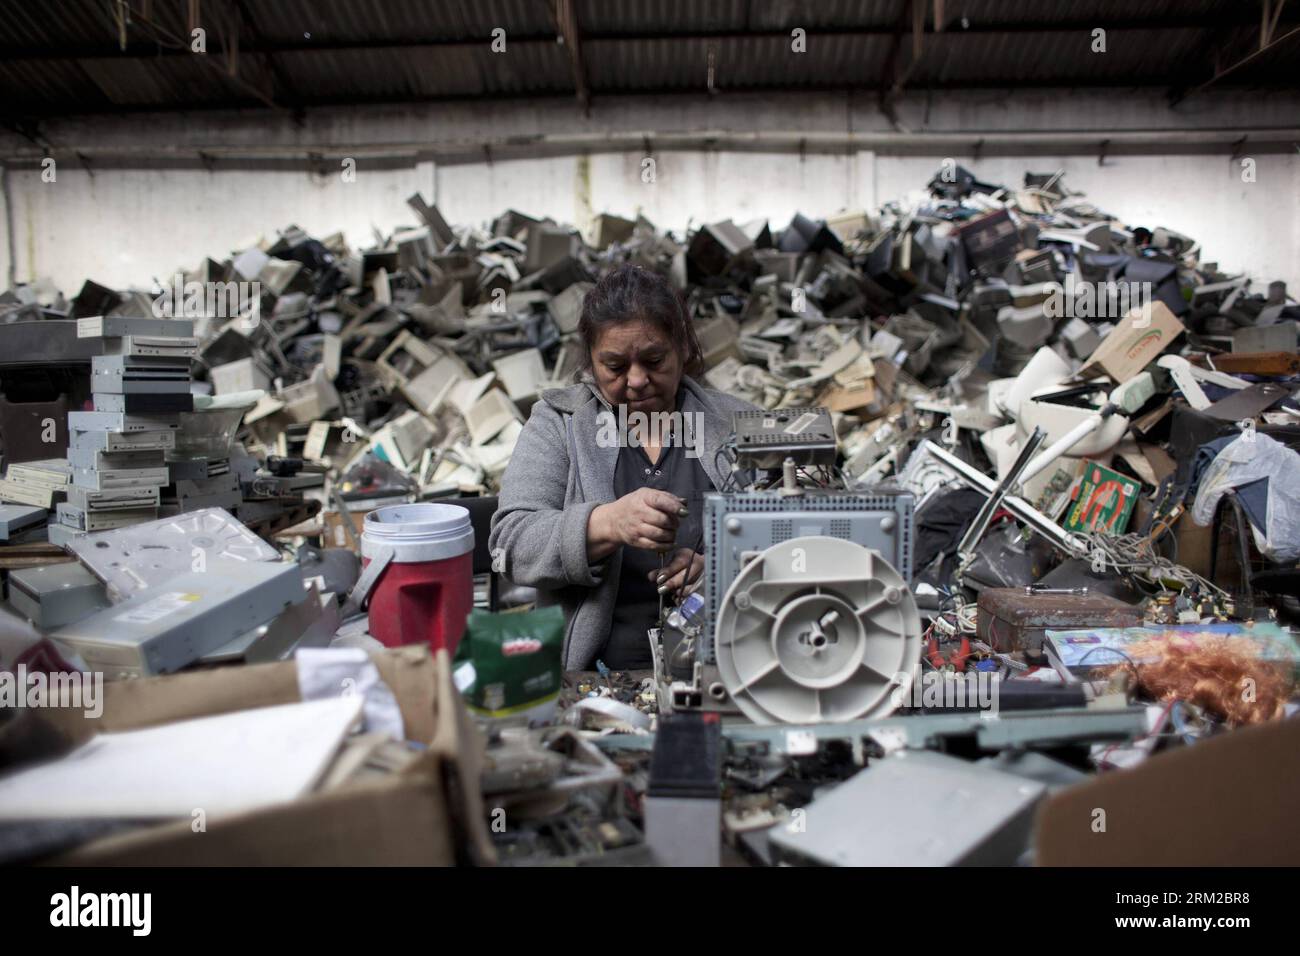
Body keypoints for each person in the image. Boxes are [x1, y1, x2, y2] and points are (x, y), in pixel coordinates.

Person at [490, 264, 757, 671]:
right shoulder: (559, 424)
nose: (636, 380)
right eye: (614, 367)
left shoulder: (741, 424)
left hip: (734, 671)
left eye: (654, 360)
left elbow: (801, 544)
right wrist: (606, 524)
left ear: (682, 347)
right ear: (591, 362)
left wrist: (726, 570)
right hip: (597, 679)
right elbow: (511, 546)